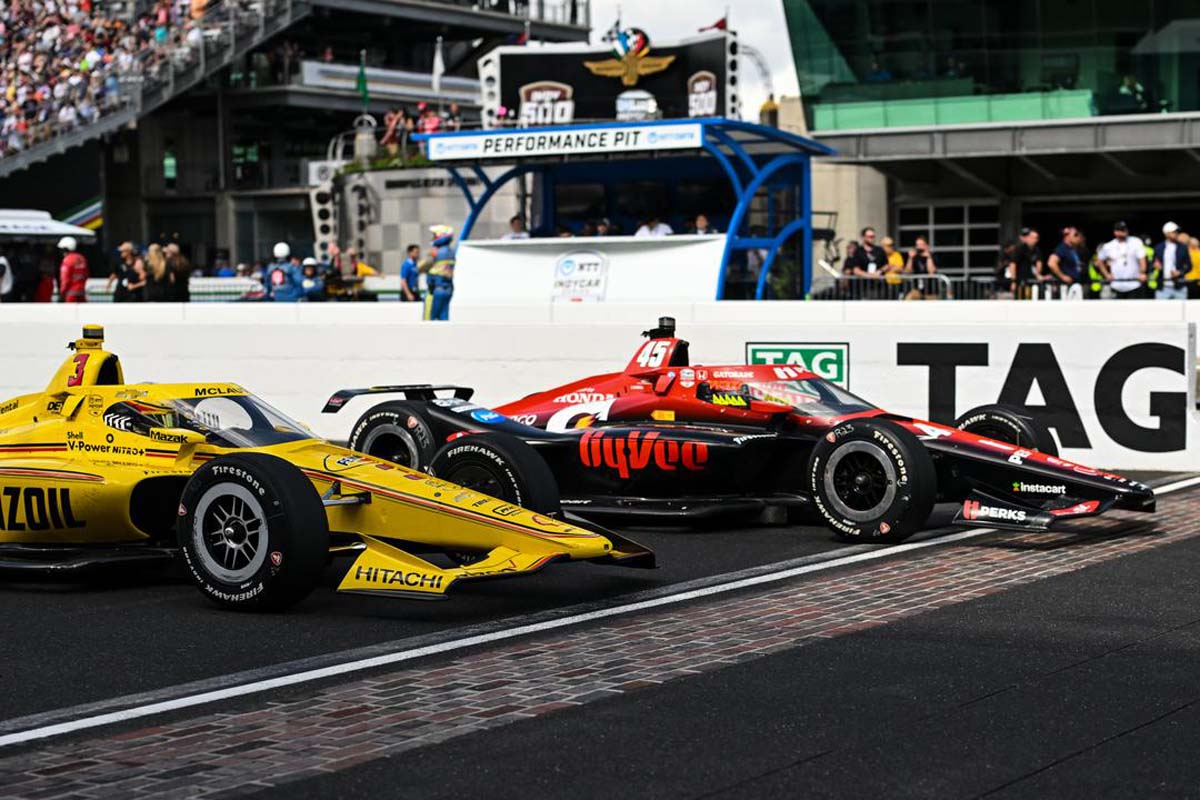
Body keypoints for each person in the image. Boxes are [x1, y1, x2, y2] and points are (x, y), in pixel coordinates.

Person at [1098, 221, 1147, 299]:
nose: (1123, 232)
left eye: (1124, 230)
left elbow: (1142, 259)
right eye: (1120, 230)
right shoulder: (1109, 246)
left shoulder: (1136, 242)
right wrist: (1106, 275)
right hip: (1116, 285)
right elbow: (1100, 260)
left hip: (1134, 284)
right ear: (1115, 232)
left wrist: (1142, 272)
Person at [422, 224, 455, 321]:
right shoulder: (451, 252)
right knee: (444, 317)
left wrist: (429, 255)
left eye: (435, 235)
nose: (433, 238)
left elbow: (420, 267)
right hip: (448, 289)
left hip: (435, 289)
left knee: (429, 318)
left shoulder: (436, 252)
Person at [1153, 221, 1189, 300]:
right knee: (1161, 307)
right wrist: (1155, 265)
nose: (1176, 233)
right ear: (1166, 233)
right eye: (1173, 232)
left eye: (1176, 231)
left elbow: (1189, 265)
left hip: (1180, 287)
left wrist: (1179, 272)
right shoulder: (1158, 247)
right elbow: (1153, 264)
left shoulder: (1183, 247)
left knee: (1181, 308)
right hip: (1163, 287)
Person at [1007, 227, 1043, 298]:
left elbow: (1039, 263)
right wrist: (1013, 281)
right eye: (1033, 237)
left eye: (1036, 238)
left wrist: (1038, 274)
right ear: (1027, 238)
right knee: (1021, 299)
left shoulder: (1036, 250)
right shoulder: (1020, 249)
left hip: (1031, 280)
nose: (1035, 240)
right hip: (1020, 280)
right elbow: (1012, 264)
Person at [56, 236, 89, 303]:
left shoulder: (67, 260)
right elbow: (86, 274)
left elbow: (65, 279)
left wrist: (62, 294)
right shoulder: (81, 258)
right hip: (81, 293)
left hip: (70, 294)